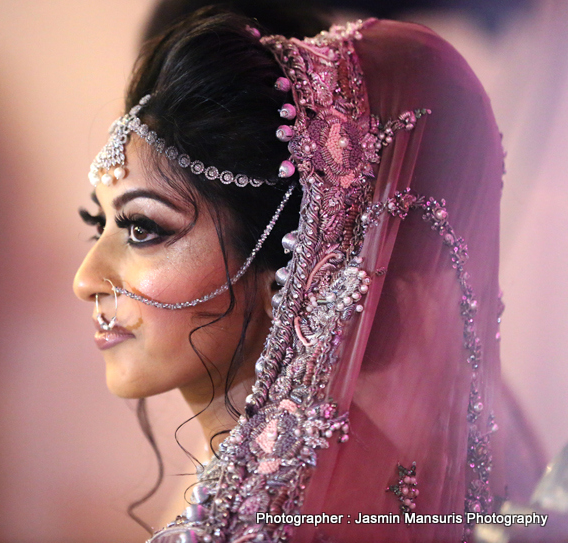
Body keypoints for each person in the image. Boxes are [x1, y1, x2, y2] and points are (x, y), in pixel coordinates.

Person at [74, 8, 507, 542]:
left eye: (142, 228)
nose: (85, 279)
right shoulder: (259, 483)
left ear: (288, 263)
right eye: (99, 225)